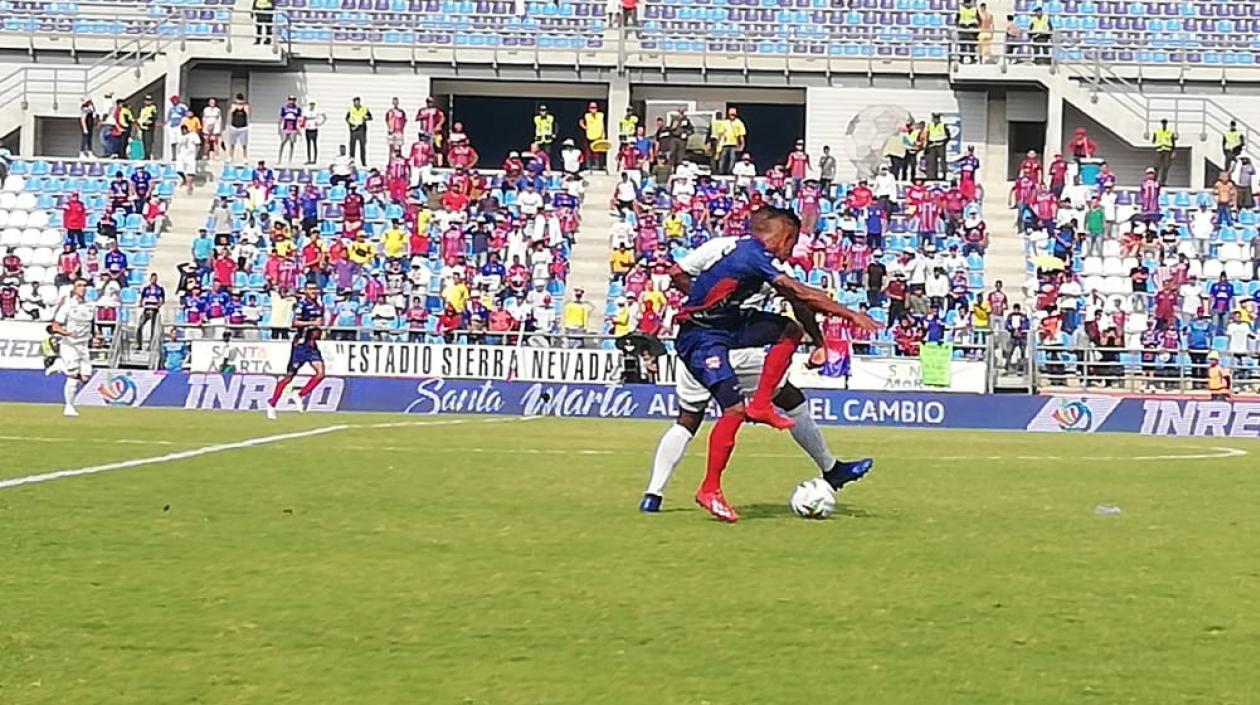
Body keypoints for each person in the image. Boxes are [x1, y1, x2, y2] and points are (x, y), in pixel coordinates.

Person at [672, 207, 878, 522]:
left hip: (728, 326)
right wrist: (849, 314)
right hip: (700, 336)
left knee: (789, 330)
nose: (792, 251)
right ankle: (709, 489)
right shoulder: (751, 256)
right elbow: (799, 291)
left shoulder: (756, 258)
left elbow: (799, 300)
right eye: (792, 242)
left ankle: (763, 405)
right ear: (784, 235)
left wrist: (820, 340)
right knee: (732, 410)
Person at [641, 347, 874, 512]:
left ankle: (653, 495)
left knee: (687, 420)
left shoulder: (699, 280)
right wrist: (817, 340)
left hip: (693, 350)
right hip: (734, 351)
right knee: (790, 398)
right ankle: (831, 469)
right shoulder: (753, 277)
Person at [266, 282, 327, 419]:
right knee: (289, 377)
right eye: (310, 289)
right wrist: (312, 324)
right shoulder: (302, 305)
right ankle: (272, 403)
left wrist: (319, 330)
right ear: (305, 291)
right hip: (300, 345)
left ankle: (299, 394)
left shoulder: (319, 305)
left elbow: (320, 322)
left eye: (315, 289)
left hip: (311, 345)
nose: (313, 291)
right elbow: (295, 323)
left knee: (321, 373)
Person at [50, 278, 95, 418]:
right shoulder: (67, 306)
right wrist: (67, 333)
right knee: (73, 375)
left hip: (83, 346)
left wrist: (96, 336)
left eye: (84, 285)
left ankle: (59, 365)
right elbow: (55, 326)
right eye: (79, 285)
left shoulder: (90, 306)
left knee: (86, 377)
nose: (83, 288)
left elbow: (91, 325)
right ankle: (69, 406)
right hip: (69, 345)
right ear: (74, 289)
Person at [135, 274, 165, 351]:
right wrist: (141, 304)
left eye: (155, 279)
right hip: (147, 309)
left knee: (153, 328)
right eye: (152, 279)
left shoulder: (160, 289)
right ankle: (139, 344)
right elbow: (142, 298)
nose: (153, 280)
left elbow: (163, 300)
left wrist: (159, 304)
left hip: (155, 309)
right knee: (139, 327)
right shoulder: (146, 288)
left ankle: (152, 345)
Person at [579, 101, 606, 170]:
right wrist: (585, 127)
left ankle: (597, 166)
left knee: (597, 152)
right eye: (592, 107)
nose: (593, 109)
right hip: (589, 136)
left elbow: (603, 124)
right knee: (588, 152)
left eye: (595, 107)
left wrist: (603, 134)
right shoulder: (586, 115)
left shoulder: (601, 115)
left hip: (599, 137)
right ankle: (588, 166)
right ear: (589, 108)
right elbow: (581, 122)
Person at [346, 96, 372, 166]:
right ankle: (351, 162)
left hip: (361, 129)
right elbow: (347, 118)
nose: (356, 103)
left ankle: (363, 162)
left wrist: (365, 118)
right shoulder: (351, 109)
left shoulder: (364, 109)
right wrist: (351, 125)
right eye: (355, 102)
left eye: (358, 102)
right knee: (352, 146)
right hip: (354, 129)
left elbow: (370, 117)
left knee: (362, 147)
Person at [175, 124, 201, 195]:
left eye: (184, 129)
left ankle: (189, 186)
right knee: (179, 170)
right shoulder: (179, 136)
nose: (183, 131)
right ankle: (184, 180)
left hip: (190, 156)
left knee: (190, 172)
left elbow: (198, 144)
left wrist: (196, 154)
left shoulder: (193, 135)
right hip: (181, 156)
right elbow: (178, 145)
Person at [924, 113, 950, 181]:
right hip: (932, 144)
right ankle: (932, 177)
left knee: (942, 161)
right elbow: (927, 135)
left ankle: (944, 176)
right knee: (931, 161)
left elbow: (948, 136)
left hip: (940, 144)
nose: (935, 120)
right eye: (934, 118)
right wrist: (927, 145)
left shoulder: (943, 125)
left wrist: (943, 143)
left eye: (937, 118)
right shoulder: (930, 125)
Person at [277, 95, 302, 164]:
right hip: (285, 126)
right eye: (290, 99)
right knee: (283, 142)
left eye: (293, 99)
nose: (291, 101)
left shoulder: (298, 109)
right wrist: (279, 128)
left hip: (293, 127)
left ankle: (290, 160)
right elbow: (281, 117)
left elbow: (299, 119)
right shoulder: (284, 108)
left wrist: (299, 129)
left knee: (292, 143)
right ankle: (279, 159)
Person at [300, 100, 326, 165]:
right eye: (311, 104)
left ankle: (314, 160)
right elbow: (303, 119)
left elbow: (324, 117)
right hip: (308, 129)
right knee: (308, 144)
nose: (312, 105)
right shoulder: (306, 111)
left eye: (313, 104)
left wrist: (320, 123)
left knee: (314, 144)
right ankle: (309, 159)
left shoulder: (317, 111)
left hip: (314, 129)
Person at [1152, 118, 1177, 185]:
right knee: (1156, 166)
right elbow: (1153, 140)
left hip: (1167, 151)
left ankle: (1163, 182)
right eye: (1163, 123)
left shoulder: (1170, 132)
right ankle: (1154, 181)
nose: (1164, 124)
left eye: (1165, 123)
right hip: (1159, 150)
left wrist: (1173, 151)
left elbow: (1173, 142)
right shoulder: (1157, 131)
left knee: (1166, 167)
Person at [227, 93, 250, 162]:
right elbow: (229, 113)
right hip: (234, 127)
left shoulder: (246, 106)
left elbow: (249, 115)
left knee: (244, 144)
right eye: (238, 100)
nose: (239, 102)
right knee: (232, 143)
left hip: (243, 127)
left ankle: (245, 158)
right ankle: (230, 157)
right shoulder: (233, 105)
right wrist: (233, 109)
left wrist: (246, 110)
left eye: (240, 101)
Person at [136, 95, 158, 160]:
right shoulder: (143, 108)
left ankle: (147, 156)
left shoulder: (153, 108)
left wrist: (149, 122)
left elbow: (154, 117)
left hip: (148, 127)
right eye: (146, 100)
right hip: (142, 127)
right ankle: (145, 155)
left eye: (149, 100)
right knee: (144, 142)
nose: (147, 102)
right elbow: (141, 117)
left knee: (148, 141)